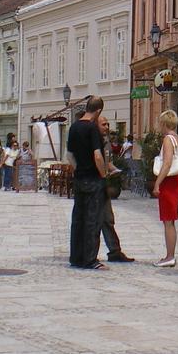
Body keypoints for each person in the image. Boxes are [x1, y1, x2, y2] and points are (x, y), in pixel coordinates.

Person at [67, 96, 108, 270]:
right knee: (93, 220)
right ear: (98, 111)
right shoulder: (92, 129)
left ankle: (75, 257)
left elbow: (69, 155)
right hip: (93, 178)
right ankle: (90, 259)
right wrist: (103, 174)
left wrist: (78, 169)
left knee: (78, 218)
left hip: (79, 178)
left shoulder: (74, 126)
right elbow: (98, 155)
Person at [97, 115, 134, 263]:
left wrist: (114, 169)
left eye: (107, 124)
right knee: (95, 220)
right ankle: (90, 253)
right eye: (103, 124)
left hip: (103, 183)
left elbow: (107, 161)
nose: (107, 127)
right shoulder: (94, 140)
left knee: (108, 218)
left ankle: (114, 251)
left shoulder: (105, 142)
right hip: (95, 184)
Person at [152, 110, 178, 268]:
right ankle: (170, 255)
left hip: (169, 181)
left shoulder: (167, 139)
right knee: (169, 219)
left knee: (168, 221)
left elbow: (167, 163)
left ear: (164, 123)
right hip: (177, 180)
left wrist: (158, 183)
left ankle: (170, 256)